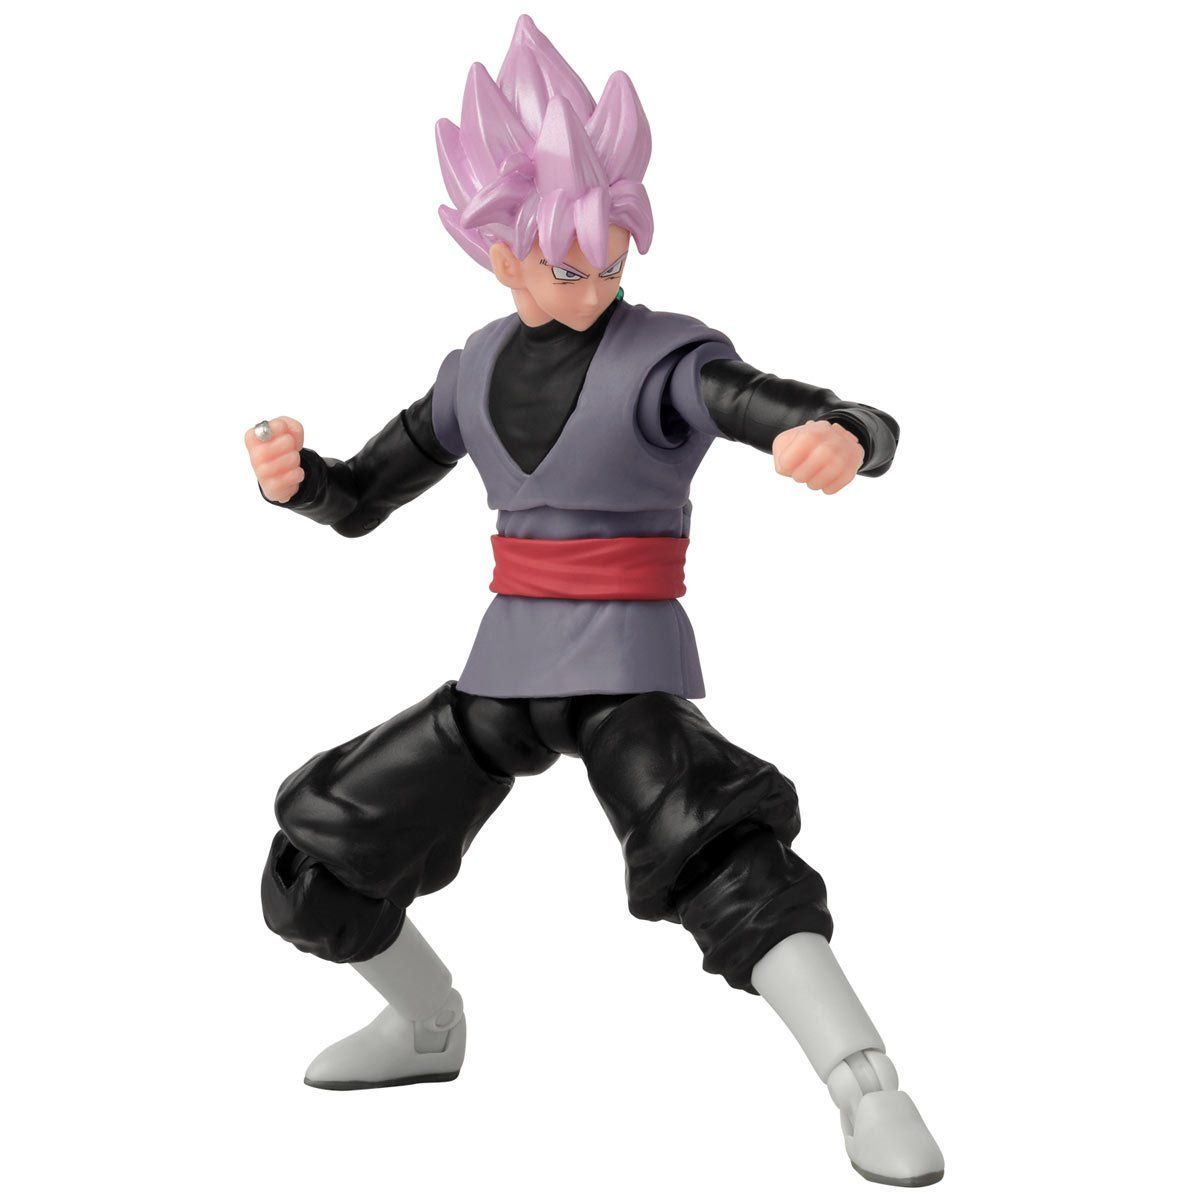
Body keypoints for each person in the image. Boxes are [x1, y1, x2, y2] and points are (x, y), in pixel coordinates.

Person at [247, 16, 943, 1187]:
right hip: (505, 674)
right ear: (499, 254)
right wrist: (301, 482)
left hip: (625, 670)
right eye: (569, 264)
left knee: (725, 857)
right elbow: (365, 495)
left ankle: (867, 1087)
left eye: (615, 256)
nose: (601, 279)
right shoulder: (471, 370)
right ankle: (425, 1025)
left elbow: (789, 404)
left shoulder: (665, 359)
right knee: (320, 853)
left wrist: (843, 434)